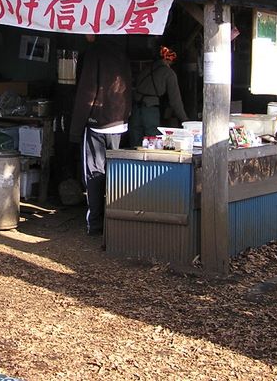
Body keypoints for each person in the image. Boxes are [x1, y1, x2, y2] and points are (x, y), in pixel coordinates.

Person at [69, 35, 132, 236]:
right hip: (119, 123)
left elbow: (87, 93)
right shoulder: (122, 53)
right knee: (116, 175)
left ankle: (95, 224)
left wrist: (75, 130)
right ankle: (115, 223)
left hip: (97, 123)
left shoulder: (94, 53)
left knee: (95, 175)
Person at [129, 42, 188, 146]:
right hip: (150, 109)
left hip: (136, 108)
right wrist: (185, 120)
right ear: (169, 60)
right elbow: (175, 101)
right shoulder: (169, 74)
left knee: (135, 140)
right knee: (152, 141)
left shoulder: (147, 68)